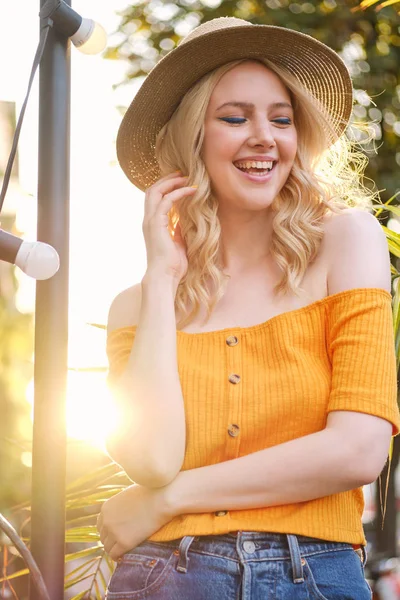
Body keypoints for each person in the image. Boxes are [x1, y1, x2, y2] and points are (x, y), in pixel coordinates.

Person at [97, 16, 400, 599]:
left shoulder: (347, 241)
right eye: (234, 118)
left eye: (281, 119)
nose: (264, 136)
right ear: (192, 139)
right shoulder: (136, 305)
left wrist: (172, 498)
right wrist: (161, 277)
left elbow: (359, 450)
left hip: (314, 575)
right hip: (165, 577)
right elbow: (153, 459)